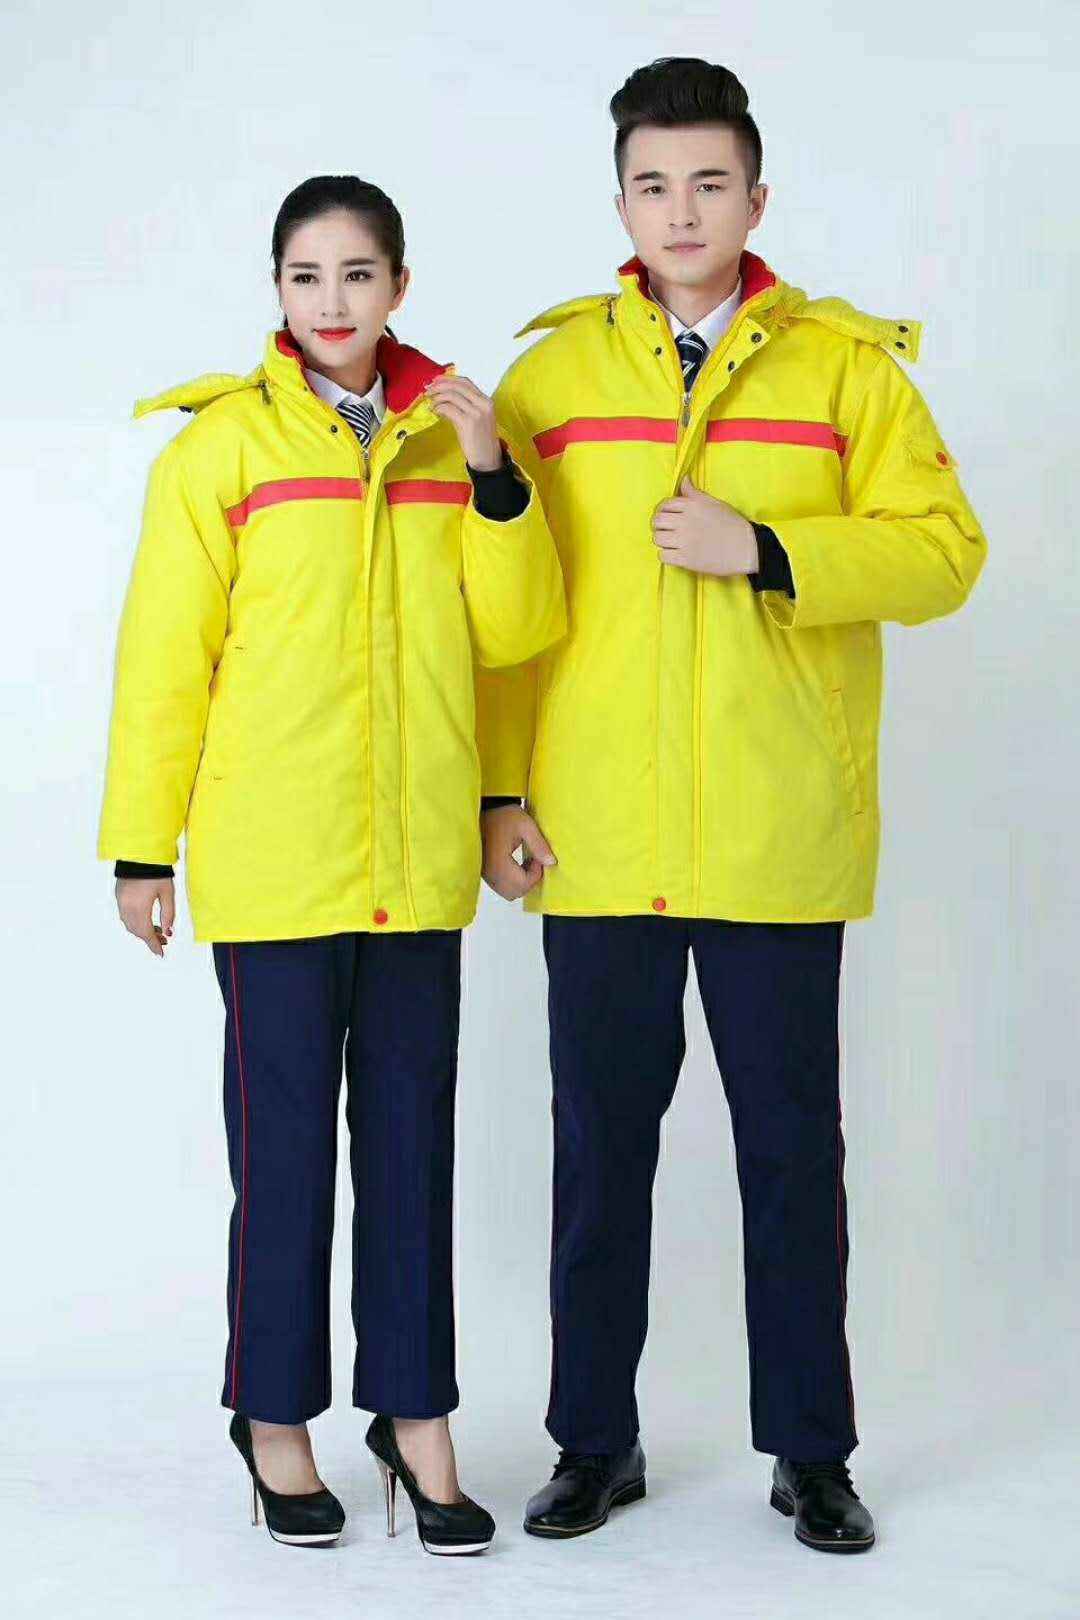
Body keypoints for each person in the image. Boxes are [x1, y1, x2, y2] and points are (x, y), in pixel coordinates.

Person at [477, 59, 988, 1553]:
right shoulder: (552, 381)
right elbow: (505, 609)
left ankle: (813, 1455)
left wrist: (768, 548)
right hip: (598, 836)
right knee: (598, 1158)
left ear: (757, 199)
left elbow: (945, 553)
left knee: (791, 1159)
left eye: (709, 183)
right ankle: (593, 1442)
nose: (682, 211)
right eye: (653, 184)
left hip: (776, 835)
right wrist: (500, 791)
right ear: (621, 203)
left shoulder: (846, 375)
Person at [97, 174, 566, 1555]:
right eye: (307, 277)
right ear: (278, 292)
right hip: (275, 864)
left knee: (413, 1158)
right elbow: (164, 661)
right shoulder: (222, 451)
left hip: (415, 864)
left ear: (400, 287)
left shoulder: (457, 436)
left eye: (359, 274)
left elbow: (516, 633)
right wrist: (141, 846)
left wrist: (493, 476)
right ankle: (275, 1421)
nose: (333, 301)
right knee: (287, 1161)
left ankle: (417, 1418)